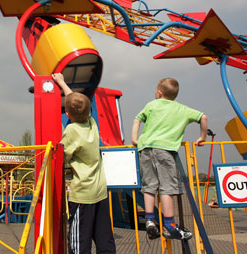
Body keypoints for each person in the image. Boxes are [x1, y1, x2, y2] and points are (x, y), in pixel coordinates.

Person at [131, 77, 208, 241]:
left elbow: (137, 119)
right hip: (165, 150)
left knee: (149, 186)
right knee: (167, 187)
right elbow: (203, 117)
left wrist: (134, 139)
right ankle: (169, 224)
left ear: (159, 92)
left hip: (145, 148)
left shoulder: (151, 105)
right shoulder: (183, 109)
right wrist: (202, 137)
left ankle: (150, 220)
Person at [52, 73, 116, 254]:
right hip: (100, 191)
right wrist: (62, 83)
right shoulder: (92, 123)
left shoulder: (71, 130)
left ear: (67, 113)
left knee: (79, 240)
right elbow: (77, 104)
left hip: (83, 194)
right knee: (104, 238)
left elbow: (63, 156)